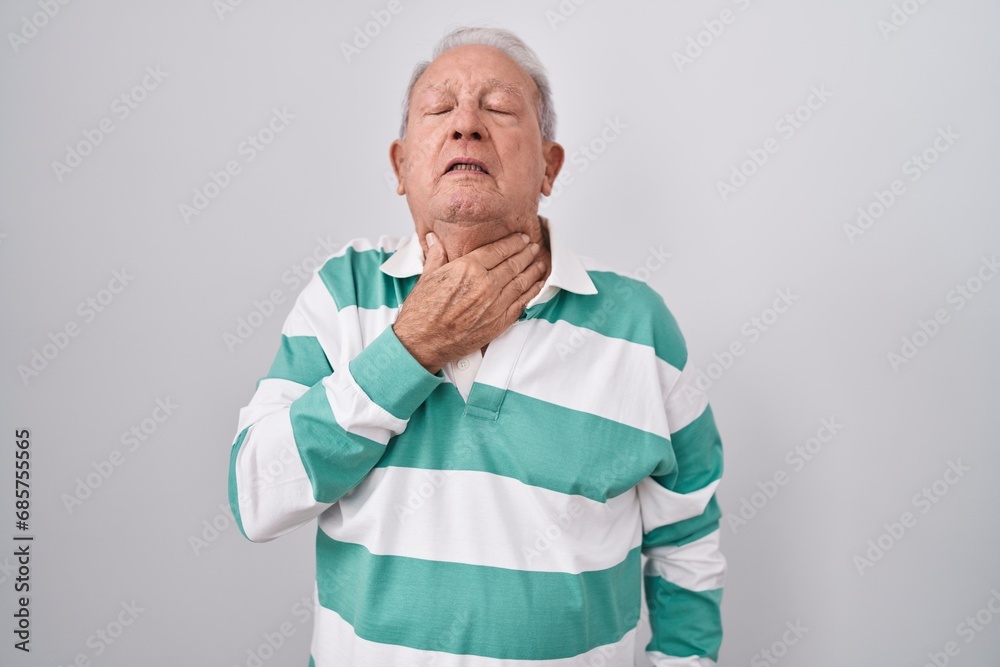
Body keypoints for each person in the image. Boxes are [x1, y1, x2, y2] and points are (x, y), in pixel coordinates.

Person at [227, 26, 726, 667]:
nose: (466, 125)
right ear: (400, 166)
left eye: (498, 108)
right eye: (439, 109)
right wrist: (412, 346)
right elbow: (255, 497)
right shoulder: (341, 295)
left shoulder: (639, 325)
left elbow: (687, 545)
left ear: (549, 166)